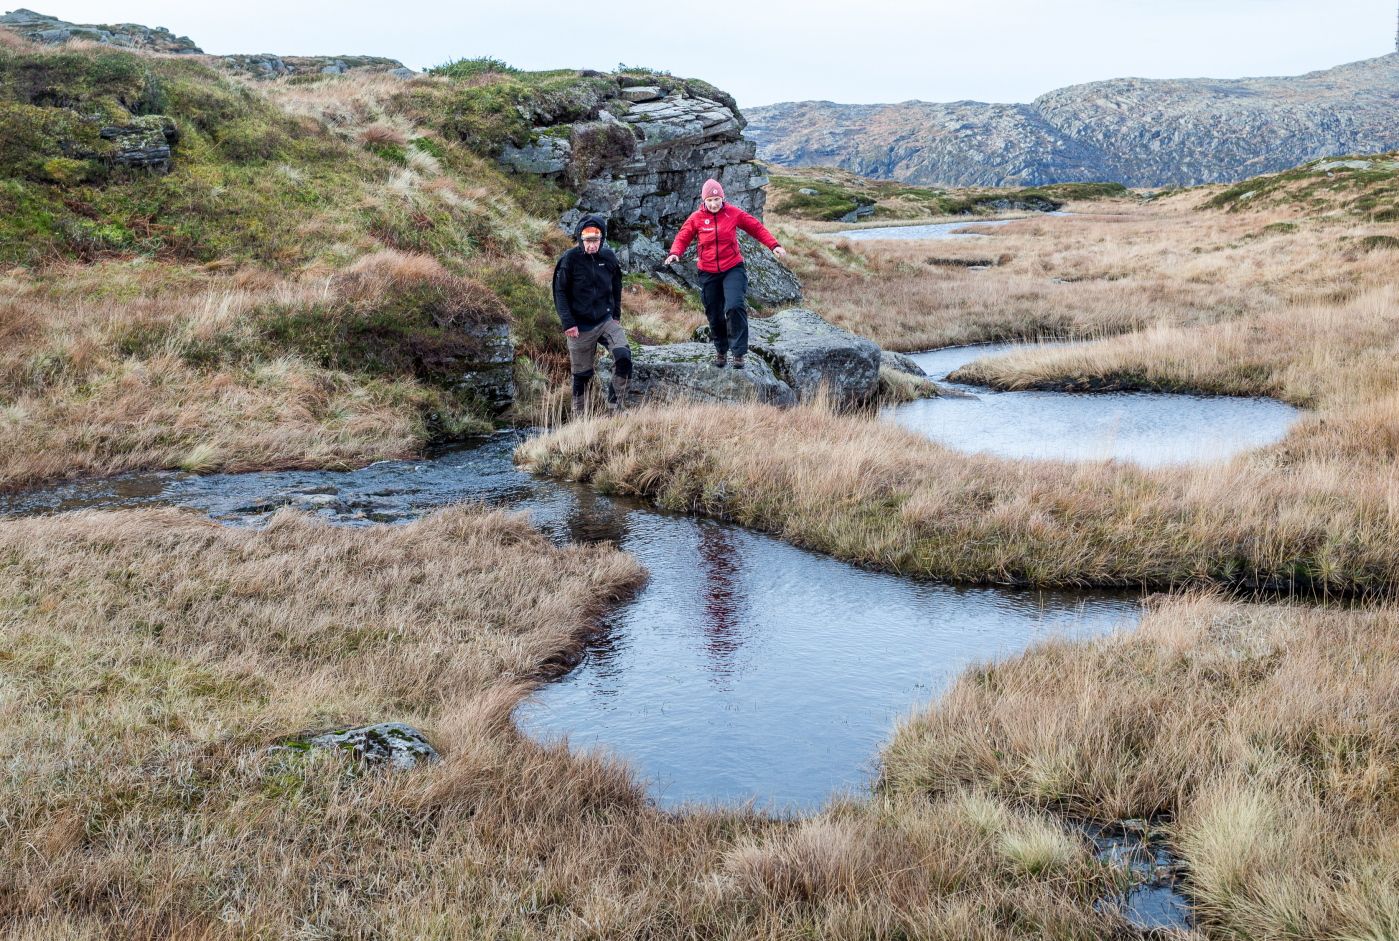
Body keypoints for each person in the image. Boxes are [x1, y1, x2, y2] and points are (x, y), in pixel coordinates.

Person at [664, 179, 788, 369]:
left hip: (733, 268)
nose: (714, 204)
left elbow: (756, 227)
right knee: (714, 313)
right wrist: (675, 253)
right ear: (703, 200)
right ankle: (721, 351)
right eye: (710, 200)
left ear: (723, 198)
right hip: (708, 272)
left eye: (717, 199)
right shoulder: (696, 217)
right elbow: (683, 236)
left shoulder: (733, 213)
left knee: (734, 305)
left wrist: (774, 245)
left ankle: (738, 353)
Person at [552, 214, 631, 415]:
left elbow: (616, 284)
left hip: (605, 320)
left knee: (623, 357)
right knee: (582, 375)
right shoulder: (569, 259)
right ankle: (580, 419)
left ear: (601, 238)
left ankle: (615, 408)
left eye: (595, 240)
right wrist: (568, 322)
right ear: (580, 238)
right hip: (579, 326)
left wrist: (615, 314)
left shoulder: (608, 257)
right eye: (587, 240)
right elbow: (559, 292)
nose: (592, 245)